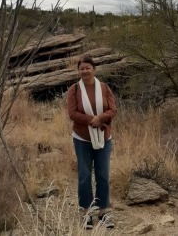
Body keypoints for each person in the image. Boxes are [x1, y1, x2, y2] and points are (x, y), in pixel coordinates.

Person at [67, 55, 117, 230]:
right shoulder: (74, 90)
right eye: (82, 68)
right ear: (78, 70)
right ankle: (86, 212)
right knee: (85, 175)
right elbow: (72, 113)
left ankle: (103, 211)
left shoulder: (104, 88)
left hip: (104, 138)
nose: (85, 71)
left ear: (94, 69)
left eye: (88, 67)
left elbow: (112, 109)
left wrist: (100, 118)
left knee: (103, 175)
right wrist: (91, 120)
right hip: (82, 139)